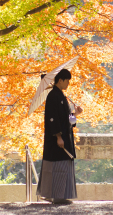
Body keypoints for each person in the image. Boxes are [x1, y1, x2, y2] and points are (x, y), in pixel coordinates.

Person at [37, 68, 82, 204]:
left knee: (63, 166)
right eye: (67, 80)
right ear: (61, 80)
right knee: (57, 167)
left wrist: (76, 114)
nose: (68, 83)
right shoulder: (53, 96)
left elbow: (67, 119)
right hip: (57, 140)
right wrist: (58, 136)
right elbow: (53, 118)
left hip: (65, 137)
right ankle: (56, 196)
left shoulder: (62, 96)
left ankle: (61, 195)